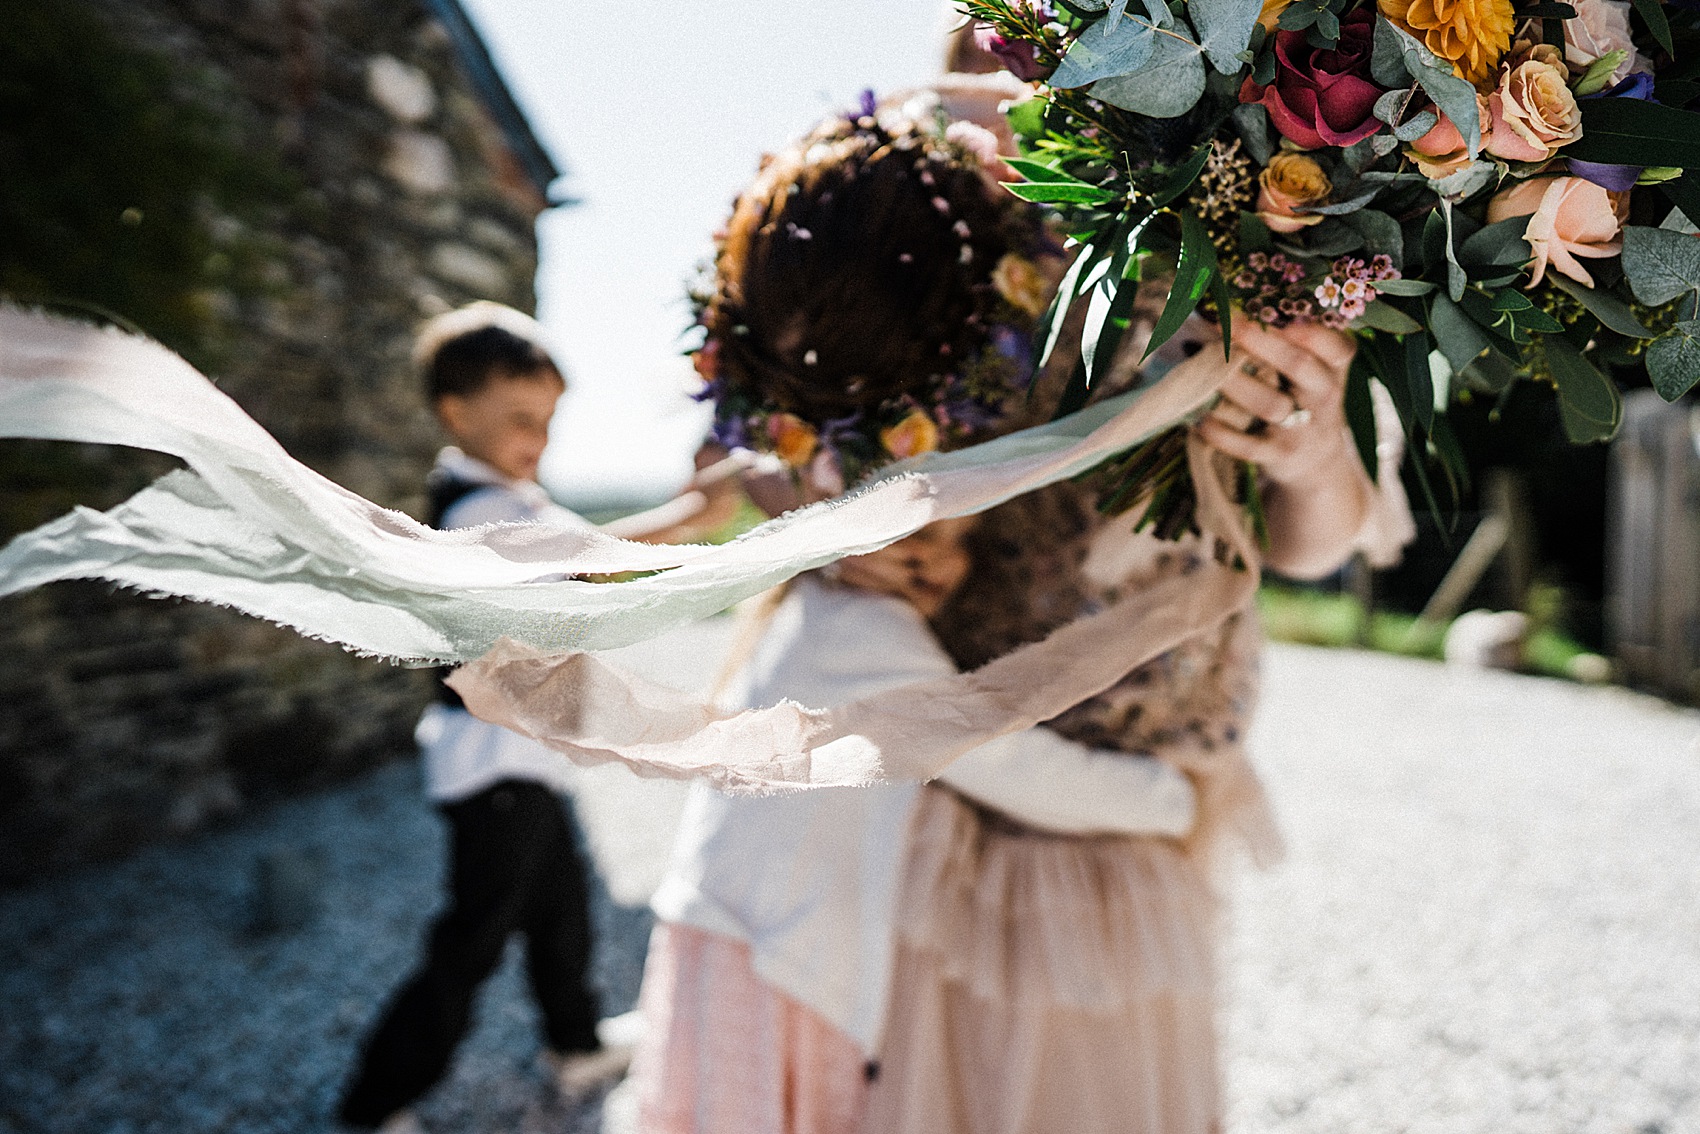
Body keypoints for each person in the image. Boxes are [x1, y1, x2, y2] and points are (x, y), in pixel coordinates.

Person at [338, 302, 719, 1133]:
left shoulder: (511, 498)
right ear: (454, 411)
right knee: (472, 942)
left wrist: (690, 512)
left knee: (564, 914)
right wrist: (694, 512)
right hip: (493, 772)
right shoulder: (479, 514)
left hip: (524, 768)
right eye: (519, 420)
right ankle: (377, 1101)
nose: (537, 440)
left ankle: (575, 1045)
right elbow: (598, 564)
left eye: (547, 423)